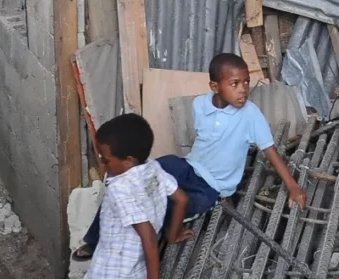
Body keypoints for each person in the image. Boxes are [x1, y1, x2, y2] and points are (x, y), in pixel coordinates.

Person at [74, 53, 306, 260]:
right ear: (214, 86)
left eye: (246, 82)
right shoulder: (199, 105)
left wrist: (293, 186)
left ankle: (142, 239)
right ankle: (94, 239)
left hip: (211, 187)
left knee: (168, 203)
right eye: (234, 83)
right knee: (131, 181)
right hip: (186, 166)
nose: (243, 89)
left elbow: (270, 151)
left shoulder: (251, 115)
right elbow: (204, 140)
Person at [87, 113, 188, 279]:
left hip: (113, 270)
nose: (102, 165)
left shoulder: (119, 188)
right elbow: (181, 199)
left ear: (129, 161)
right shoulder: (153, 167)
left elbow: (148, 235)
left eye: (106, 160)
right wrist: (173, 235)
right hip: (136, 265)